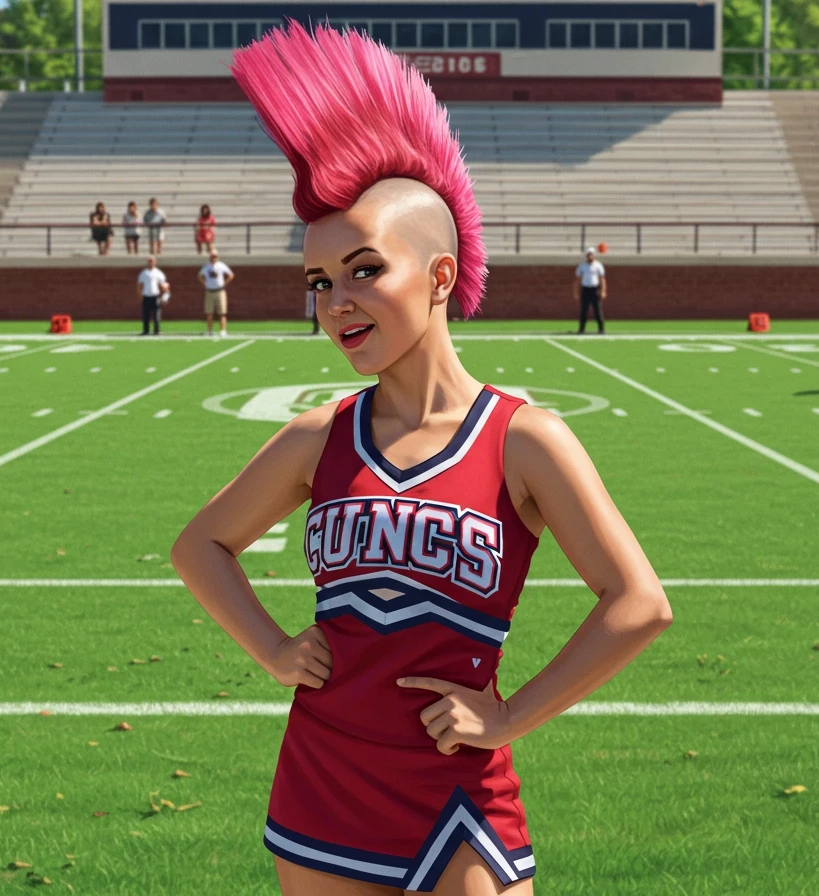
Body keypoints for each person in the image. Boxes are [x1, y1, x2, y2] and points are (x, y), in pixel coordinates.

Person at [171, 24, 671, 895]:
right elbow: (199, 546)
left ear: (439, 277)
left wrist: (511, 714)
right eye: (320, 283)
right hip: (321, 784)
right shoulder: (318, 437)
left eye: (365, 271)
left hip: (459, 793)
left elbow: (639, 605)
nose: (337, 304)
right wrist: (274, 650)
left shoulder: (522, 438)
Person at [198, 249, 233, 338]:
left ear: (217, 257)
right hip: (209, 291)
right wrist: (205, 283)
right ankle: (209, 331)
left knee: (222, 312)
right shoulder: (206, 266)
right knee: (209, 313)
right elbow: (199, 276)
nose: (213, 258)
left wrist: (224, 283)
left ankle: (223, 331)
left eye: (215, 256)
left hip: (219, 291)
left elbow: (231, 275)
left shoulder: (221, 266)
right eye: (212, 256)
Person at [574, 248, 606, 334]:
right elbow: (578, 279)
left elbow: (602, 279)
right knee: (584, 310)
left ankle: (601, 329)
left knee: (598, 310)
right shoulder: (582, 266)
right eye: (588, 255)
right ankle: (581, 329)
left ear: (593, 255)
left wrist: (603, 291)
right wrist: (576, 291)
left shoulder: (598, 265)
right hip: (585, 290)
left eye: (591, 254)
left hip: (595, 290)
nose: (590, 256)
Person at [136, 255, 170, 336]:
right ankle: (146, 330)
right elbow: (139, 285)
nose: (151, 262)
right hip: (146, 296)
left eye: (152, 261)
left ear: (155, 262)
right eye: (149, 261)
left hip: (155, 296)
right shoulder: (143, 273)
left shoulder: (158, 273)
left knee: (156, 315)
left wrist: (166, 295)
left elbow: (164, 285)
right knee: (146, 315)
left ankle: (156, 331)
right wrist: (140, 296)